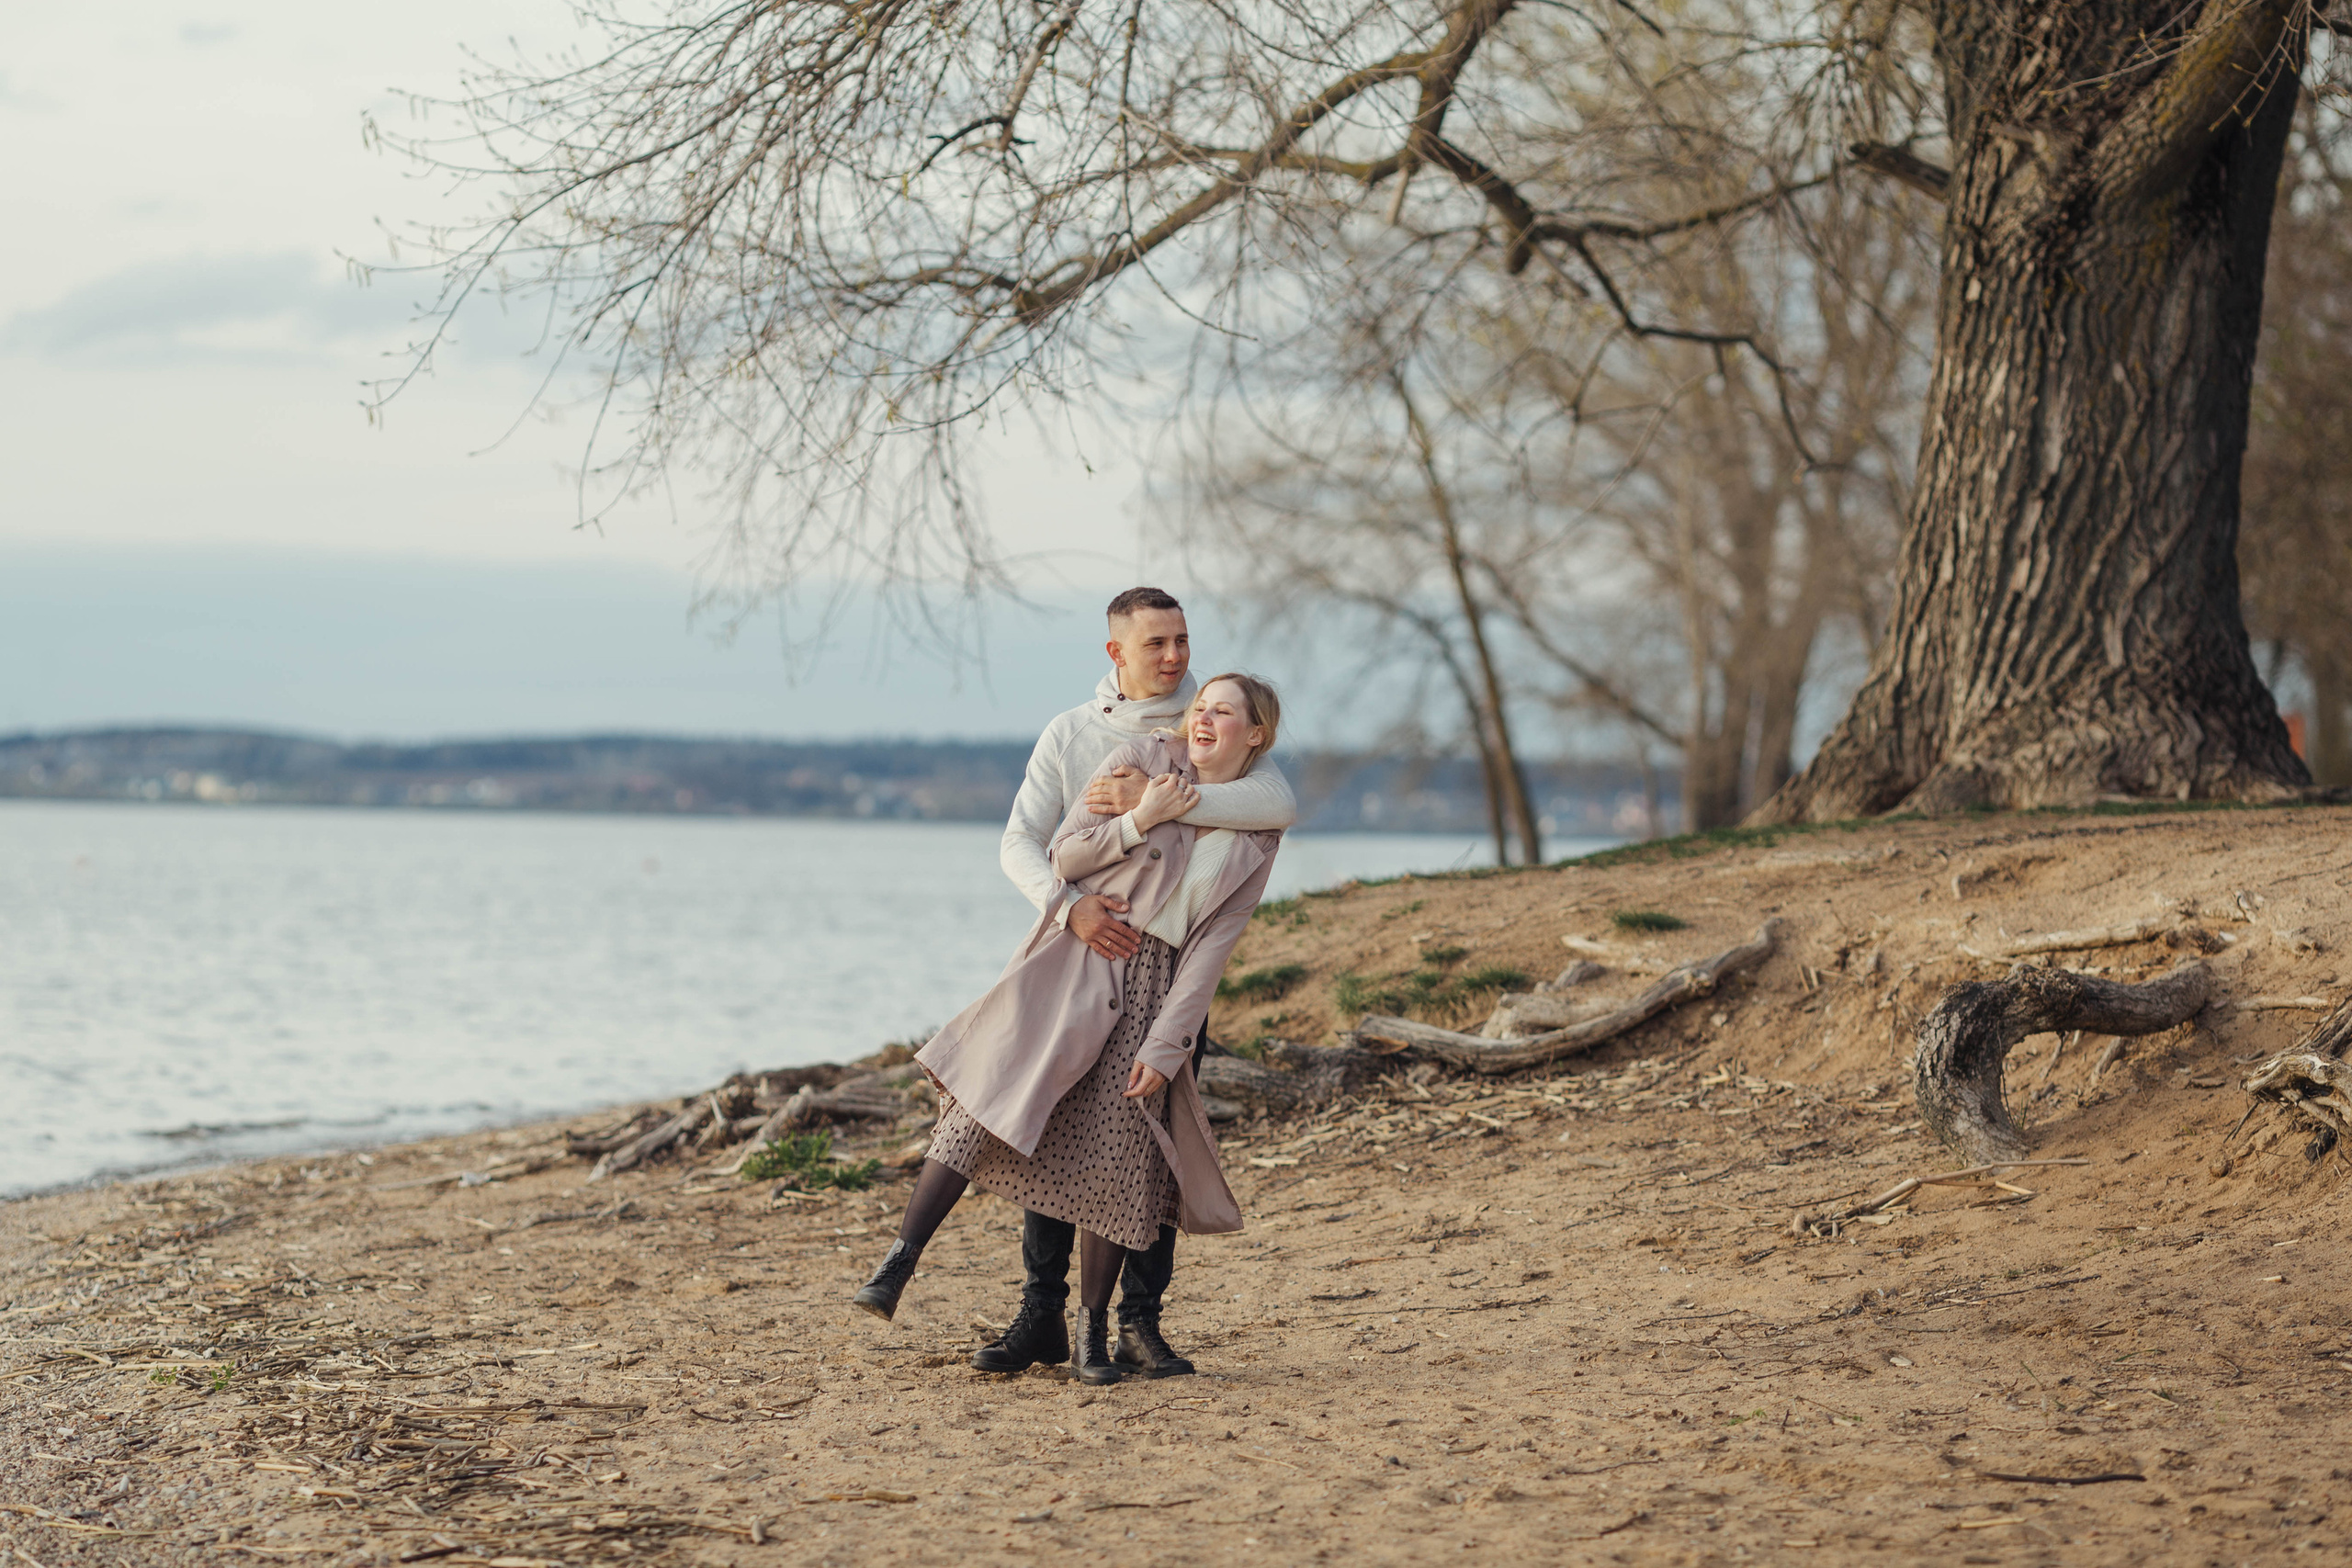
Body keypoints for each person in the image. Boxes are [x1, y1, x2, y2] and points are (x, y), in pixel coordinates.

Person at [849, 674, 1285, 1384]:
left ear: (1255, 733)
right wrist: (1139, 817)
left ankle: (1091, 1334)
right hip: (1080, 958)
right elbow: (1065, 854)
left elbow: (1212, 948)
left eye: (1223, 710)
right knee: (984, 1102)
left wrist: (1167, 1043)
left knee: (1116, 1148)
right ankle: (899, 1261)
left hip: (1156, 987)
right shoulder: (1143, 759)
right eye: (1200, 706)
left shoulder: (1260, 829)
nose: (1203, 717)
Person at [978, 587, 1295, 1379]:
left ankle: (1140, 1322)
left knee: (1154, 1146)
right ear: (1115, 651)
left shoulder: (1210, 720)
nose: (1176, 656)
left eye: (1182, 638)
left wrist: (1159, 805)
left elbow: (1275, 801)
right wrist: (1069, 906)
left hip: (1169, 977)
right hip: (1080, 957)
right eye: (1156, 643)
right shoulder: (1073, 732)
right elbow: (1022, 841)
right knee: (1057, 1128)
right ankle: (1040, 1312)